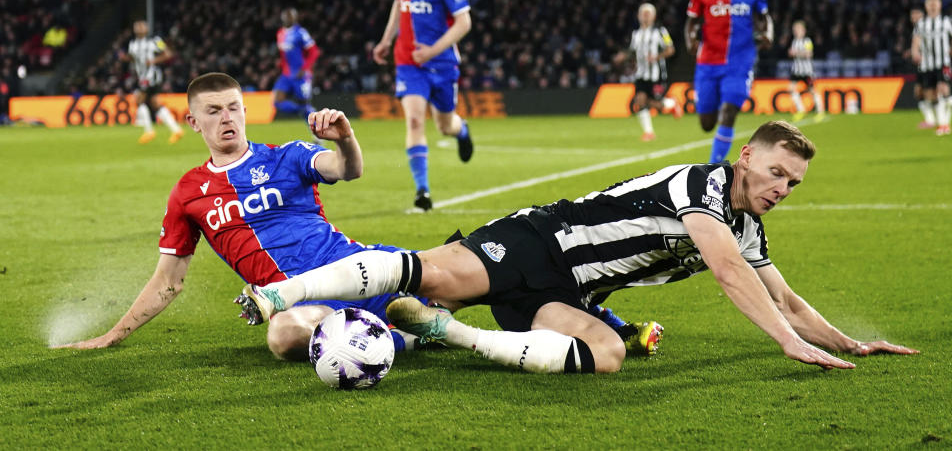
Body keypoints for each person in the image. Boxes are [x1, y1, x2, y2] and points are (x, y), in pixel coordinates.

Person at [238, 121, 919, 374]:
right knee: (433, 275)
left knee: (608, 355)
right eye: (776, 172)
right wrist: (785, 344)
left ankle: (444, 335)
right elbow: (728, 272)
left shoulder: (747, 226)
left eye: (793, 182)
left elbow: (784, 296)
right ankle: (284, 294)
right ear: (746, 159)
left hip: (566, 292)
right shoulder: (701, 185)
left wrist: (842, 341)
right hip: (540, 242)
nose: (784, 187)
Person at [56, 72, 430, 360]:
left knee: (463, 276)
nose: (226, 118)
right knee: (283, 336)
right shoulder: (188, 193)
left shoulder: (287, 156)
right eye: (214, 111)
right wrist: (112, 335)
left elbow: (347, 170)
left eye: (233, 108)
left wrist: (344, 139)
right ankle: (409, 339)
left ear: (245, 112)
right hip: (304, 305)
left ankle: (409, 323)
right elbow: (169, 281)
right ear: (193, 122)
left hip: (359, 269)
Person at [372, 0, 474, 212]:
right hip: (408, 64)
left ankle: (462, 130)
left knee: (445, 126)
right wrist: (386, 41)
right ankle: (423, 192)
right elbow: (398, 6)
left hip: (441, 64)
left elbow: (464, 22)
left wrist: (432, 50)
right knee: (415, 120)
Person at [685, 0, 773, 163]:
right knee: (707, 123)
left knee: (729, 112)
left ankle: (713, 168)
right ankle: (714, 129)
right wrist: (690, 39)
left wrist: (768, 34)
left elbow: (764, 18)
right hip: (708, 61)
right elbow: (691, 22)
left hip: (740, 61)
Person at [615, 3, 683, 141]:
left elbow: (671, 49)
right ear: (639, 16)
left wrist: (656, 57)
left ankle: (671, 104)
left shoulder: (660, 31)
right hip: (641, 73)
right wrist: (623, 56)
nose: (645, 16)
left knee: (654, 102)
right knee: (640, 101)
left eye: (648, 14)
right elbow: (632, 51)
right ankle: (649, 132)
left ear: (653, 16)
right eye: (643, 14)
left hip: (656, 74)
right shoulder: (636, 34)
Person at [122, 20, 184, 144]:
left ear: (147, 28)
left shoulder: (155, 40)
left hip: (152, 76)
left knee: (139, 100)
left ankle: (149, 131)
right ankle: (176, 130)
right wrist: (126, 59)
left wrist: (154, 61)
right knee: (155, 103)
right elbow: (133, 59)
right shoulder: (132, 44)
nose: (139, 28)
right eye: (137, 26)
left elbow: (168, 54)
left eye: (142, 26)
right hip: (142, 76)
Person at [911, 0, 952, 136]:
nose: (933, 6)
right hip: (927, 65)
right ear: (926, 7)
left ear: (940, 5)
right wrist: (915, 52)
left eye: (936, 3)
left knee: (943, 90)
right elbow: (916, 40)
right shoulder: (921, 24)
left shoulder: (947, 22)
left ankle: (944, 125)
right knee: (932, 96)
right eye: (930, 3)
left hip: (944, 63)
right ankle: (943, 124)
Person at [273, 8, 320, 119]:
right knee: (277, 102)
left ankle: (317, 130)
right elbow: (285, 54)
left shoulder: (301, 33)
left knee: (304, 102)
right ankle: (305, 110)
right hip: (286, 74)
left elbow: (314, 52)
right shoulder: (280, 33)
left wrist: (305, 69)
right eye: (287, 16)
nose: (290, 18)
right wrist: (281, 64)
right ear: (283, 18)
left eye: (292, 16)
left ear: (295, 18)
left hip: (301, 74)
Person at [787, 20, 825, 122]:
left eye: (798, 30)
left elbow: (809, 54)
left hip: (807, 71)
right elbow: (792, 53)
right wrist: (791, 53)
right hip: (796, 70)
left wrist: (796, 53)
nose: (796, 32)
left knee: (812, 91)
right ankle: (801, 110)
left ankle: (820, 112)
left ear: (803, 31)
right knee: (790, 89)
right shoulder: (794, 41)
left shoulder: (807, 41)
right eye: (794, 30)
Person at [909, 8, 935, 129]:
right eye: (912, 15)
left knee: (936, 92)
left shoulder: (930, 26)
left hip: (933, 65)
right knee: (919, 93)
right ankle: (930, 119)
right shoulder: (917, 29)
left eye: (916, 14)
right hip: (921, 66)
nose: (914, 17)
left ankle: (934, 120)